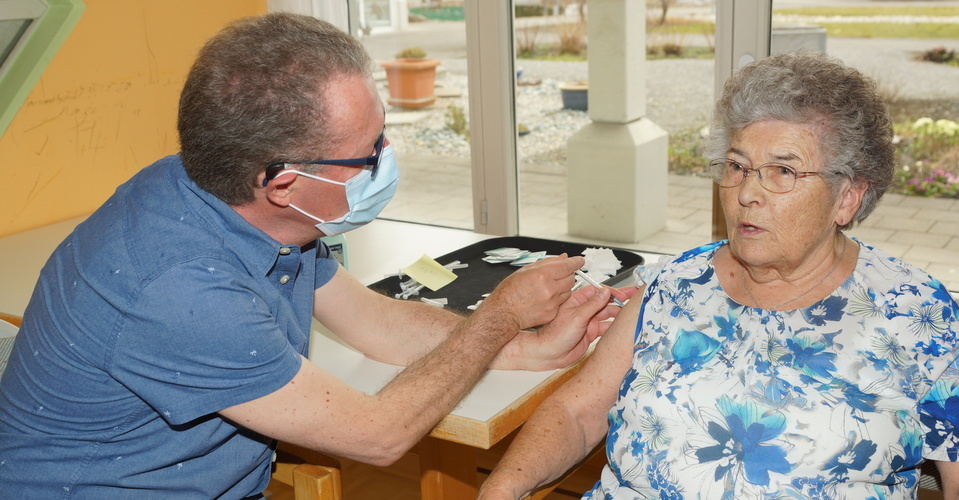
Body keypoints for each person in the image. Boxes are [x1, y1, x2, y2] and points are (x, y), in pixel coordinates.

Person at [0, 13, 634, 498]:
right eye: (367, 154)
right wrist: (498, 315)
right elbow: (378, 434)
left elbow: (372, 320)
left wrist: (520, 346)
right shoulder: (178, 288)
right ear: (281, 181)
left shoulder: (222, 192)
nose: (385, 158)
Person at [479, 50, 959, 499]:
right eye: (737, 166)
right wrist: (502, 488)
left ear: (848, 197)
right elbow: (576, 411)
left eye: (783, 171)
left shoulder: (917, 314)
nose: (747, 192)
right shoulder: (675, 285)